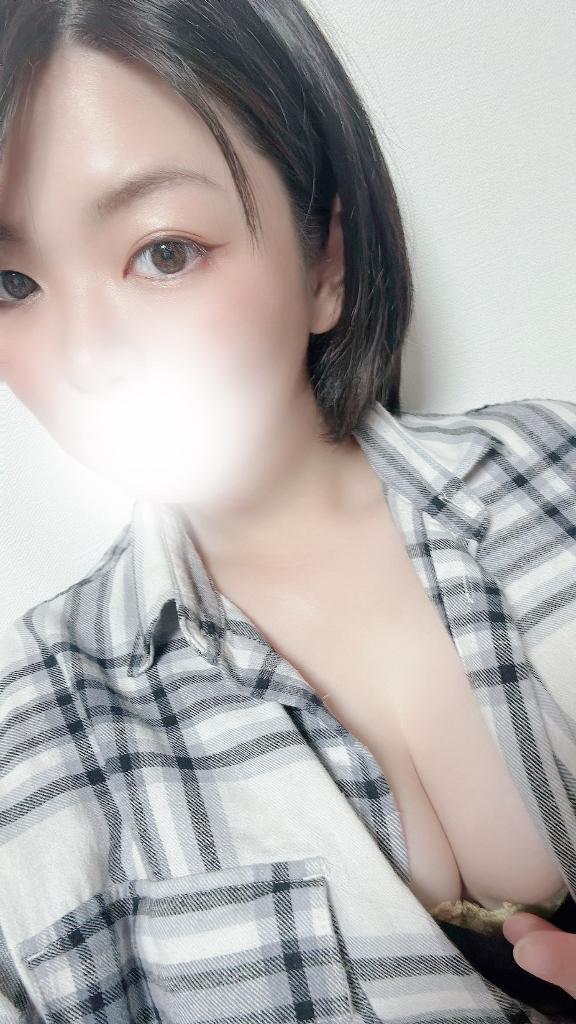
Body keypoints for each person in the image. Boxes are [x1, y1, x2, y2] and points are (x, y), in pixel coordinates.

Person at [0, 2, 575, 1021]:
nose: (85, 356)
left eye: (164, 252)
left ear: (327, 262)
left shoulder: (556, 469)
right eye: (11, 282)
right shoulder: (34, 734)